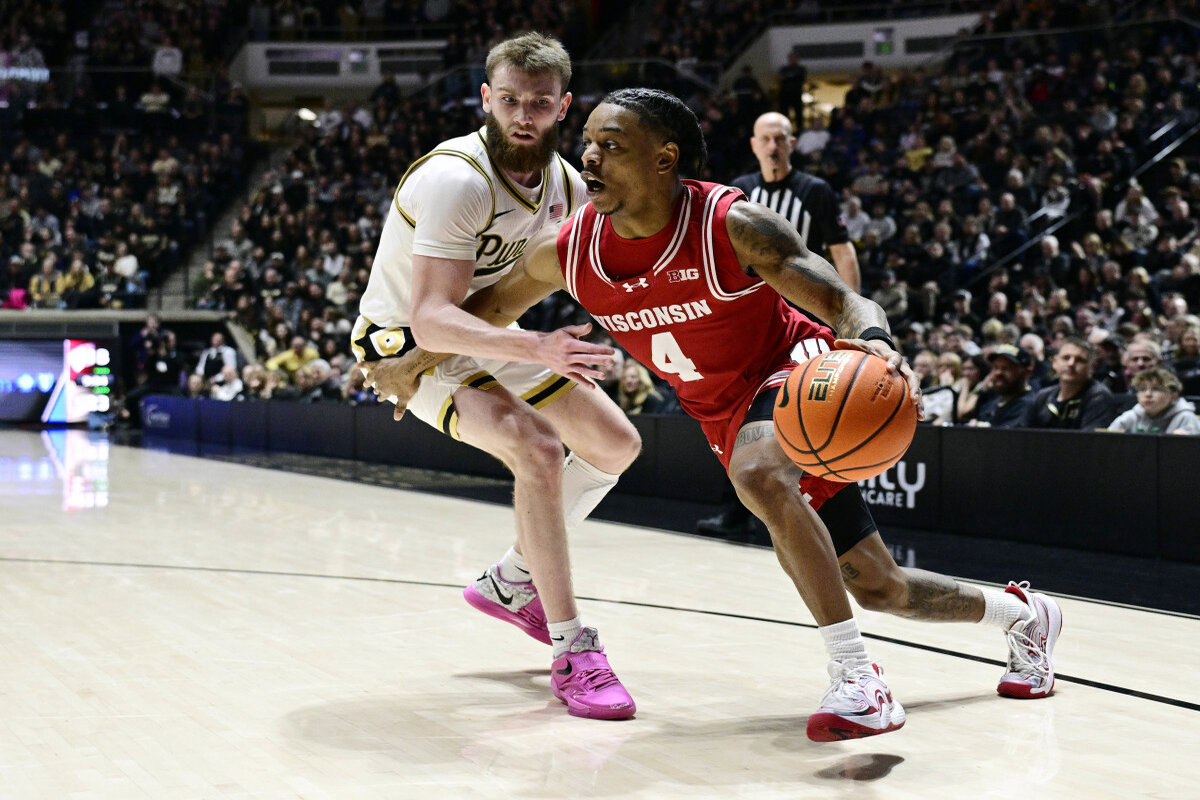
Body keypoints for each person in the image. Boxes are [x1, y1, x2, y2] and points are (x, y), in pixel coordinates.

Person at [365, 88, 1063, 741]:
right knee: (880, 585)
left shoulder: (732, 223)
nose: (588, 158)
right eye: (587, 145)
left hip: (797, 374)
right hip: (721, 412)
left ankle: (859, 681)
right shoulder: (571, 250)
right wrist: (407, 366)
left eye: (609, 145)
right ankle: (1025, 616)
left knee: (758, 475)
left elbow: (845, 301)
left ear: (664, 159)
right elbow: (475, 316)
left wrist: (876, 342)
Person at [352, 33, 641, 721]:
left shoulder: (566, 184)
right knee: (538, 449)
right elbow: (429, 321)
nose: (522, 115)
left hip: (485, 326)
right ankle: (574, 651)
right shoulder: (459, 179)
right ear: (486, 98)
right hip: (406, 343)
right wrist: (540, 348)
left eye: (538, 104)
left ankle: (514, 577)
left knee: (616, 446)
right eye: (508, 100)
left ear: (562, 106)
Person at [700, 110, 862, 537]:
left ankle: (804, 518)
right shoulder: (739, 193)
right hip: (748, 326)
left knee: (801, 418)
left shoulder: (816, 191)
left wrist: (849, 317)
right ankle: (738, 513)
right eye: (766, 138)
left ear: (793, 144)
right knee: (735, 419)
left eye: (781, 138)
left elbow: (842, 253)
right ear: (754, 144)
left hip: (801, 329)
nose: (773, 146)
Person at [1022, 337, 1117, 429]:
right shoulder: (1042, 397)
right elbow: (1023, 437)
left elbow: (1091, 442)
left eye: (1079, 360)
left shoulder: (1099, 397)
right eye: (1066, 358)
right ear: (1055, 362)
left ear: (1093, 367)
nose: (1071, 363)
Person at [1107, 367, 1200, 434]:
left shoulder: (1186, 418)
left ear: (1173, 396)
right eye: (1142, 389)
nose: (1148, 394)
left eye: (1156, 389)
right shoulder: (1130, 417)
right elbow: (1106, 443)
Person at [972, 344, 1035, 428]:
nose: (998, 373)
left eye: (1006, 368)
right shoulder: (991, 401)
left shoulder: (1030, 406)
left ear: (1027, 372)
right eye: (995, 367)